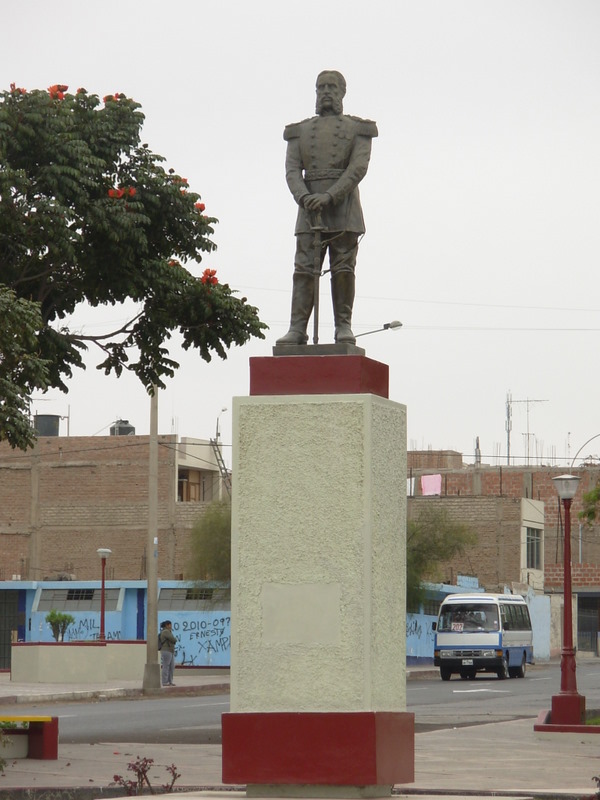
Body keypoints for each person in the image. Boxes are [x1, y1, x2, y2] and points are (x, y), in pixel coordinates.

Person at [276, 70, 378, 346]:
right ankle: (297, 328)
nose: (326, 92)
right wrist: (304, 197)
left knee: (343, 268)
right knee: (303, 269)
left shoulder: (358, 129)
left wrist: (331, 196)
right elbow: (292, 170)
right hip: (309, 207)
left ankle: (343, 325)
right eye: (321, 87)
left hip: (343, 207)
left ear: (342, 93)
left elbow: (358, 168)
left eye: (332, 87)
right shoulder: (300, 131)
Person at [159, 619, 176, 687]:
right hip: (166, 650)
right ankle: (165, 681)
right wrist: (174, 639)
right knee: (166, 666)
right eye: (170, 625)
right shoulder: (166, 632)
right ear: (167, 625)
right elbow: (173, 639)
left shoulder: (168, 631)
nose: (171, 626)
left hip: (170, 650)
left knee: (172, 666)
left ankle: (170, 681)